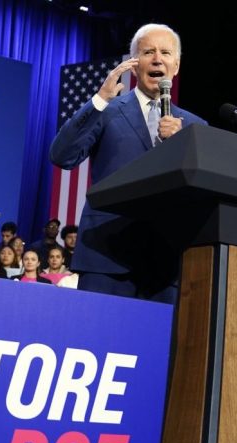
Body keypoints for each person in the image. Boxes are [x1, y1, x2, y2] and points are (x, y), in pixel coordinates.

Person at [49, 23, 206, 302]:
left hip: (166, 263)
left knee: (157, 345)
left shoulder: (194, 127)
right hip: (105, 256)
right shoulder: (108, 111)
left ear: (176, 66)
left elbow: (202, 193)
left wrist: (183, 145)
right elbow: (63, 156)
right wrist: (100, 99)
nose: (157, 59)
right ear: (134, 65)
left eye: (166, 53)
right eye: (148, 52)